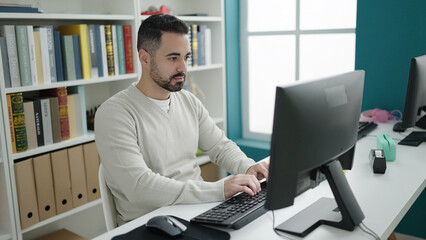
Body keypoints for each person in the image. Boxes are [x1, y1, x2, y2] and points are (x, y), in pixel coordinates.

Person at [95, 14, 269, 225]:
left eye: (186, 57)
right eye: (173, 58)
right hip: (150, 224)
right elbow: (139, 186)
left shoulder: (188, 101)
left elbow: (219, 147)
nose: (183, 68)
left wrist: (247, 167)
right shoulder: (114, 113)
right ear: (145, 58)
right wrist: (218, 189)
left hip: (197, 212)